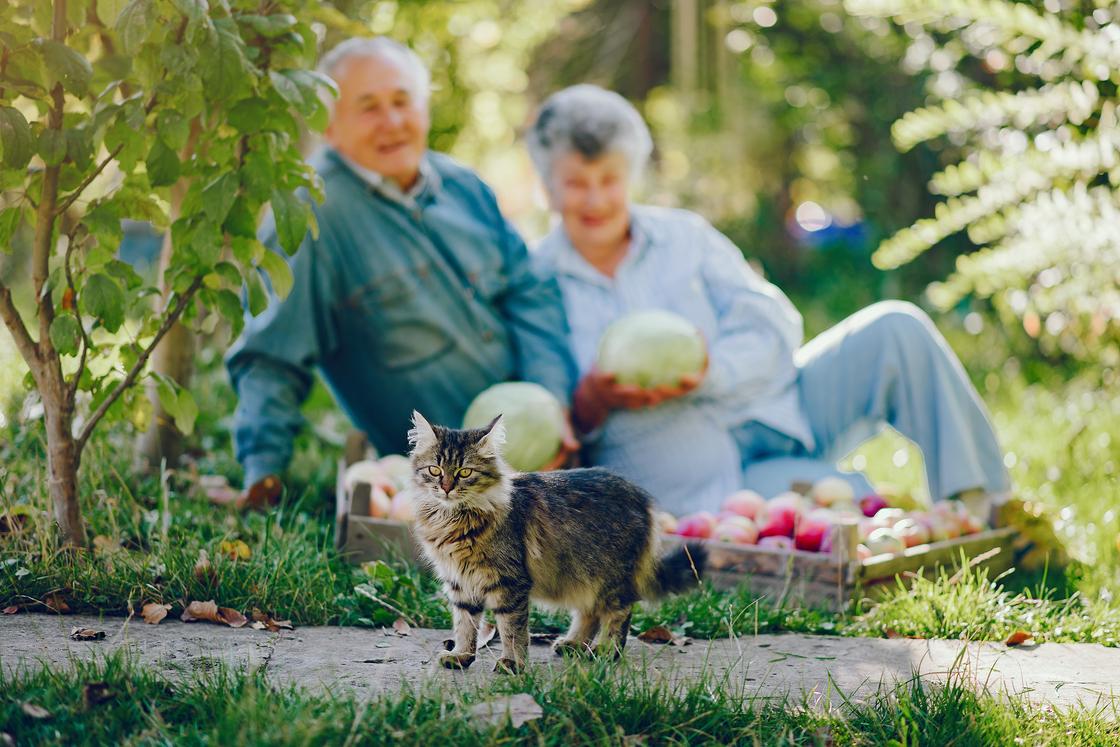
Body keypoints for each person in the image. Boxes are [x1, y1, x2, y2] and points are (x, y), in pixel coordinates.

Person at [527, 84, 1010, 520]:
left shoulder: (684, 238)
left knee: (897, 328)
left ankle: (984, 509)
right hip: (697, 474)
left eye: (608, 180)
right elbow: (554, 417)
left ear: (630, 176)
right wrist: (591, 401)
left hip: (779, 406)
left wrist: (709, 371)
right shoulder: (537, 280)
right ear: (549, 187)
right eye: (576, 183)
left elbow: (772, 322)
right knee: (840, 509)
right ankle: (837, 495)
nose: (595, 200)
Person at [216, 38, 578, 508]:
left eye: (402, 102)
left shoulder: (464, 188)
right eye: (368, 108)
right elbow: (270, 355)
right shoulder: (311, 216)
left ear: (424, 109)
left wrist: (551, 404)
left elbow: (531, 293)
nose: (392, 122)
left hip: (543, 458)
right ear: (330, 125)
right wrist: (262, 474)